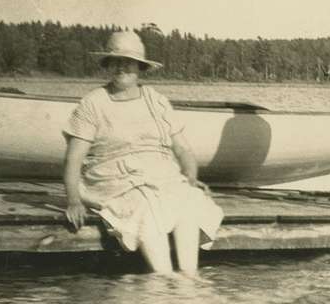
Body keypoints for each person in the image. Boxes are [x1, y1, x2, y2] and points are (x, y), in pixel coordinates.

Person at [62, 30, 223, 276]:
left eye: (128, 62)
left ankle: (188, 281)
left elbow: (182, 148)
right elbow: (74, 158)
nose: (121, 67)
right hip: (114, 179)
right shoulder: (94, 103)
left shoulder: (156, 100)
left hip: (160, 176)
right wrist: (73, 200)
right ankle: (162, 280)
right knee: (144, 207)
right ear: (108, 65)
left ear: (139, 67)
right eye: (115, 61)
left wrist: (190, 177)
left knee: (189, 201)